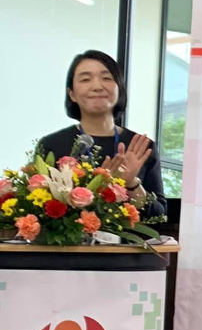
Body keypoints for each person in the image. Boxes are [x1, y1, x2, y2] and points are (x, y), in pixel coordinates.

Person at [37, 50, 167, 219]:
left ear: (119, 89)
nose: (97, 86)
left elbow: (159, 216)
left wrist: (131, 184)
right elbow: (39, 209)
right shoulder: (51, 145)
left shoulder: (141, 146)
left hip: (127, 237)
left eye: (106, 78)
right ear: (72, 94)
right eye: (85, 79)